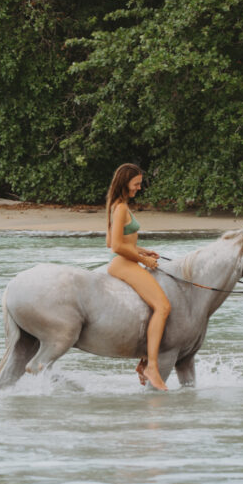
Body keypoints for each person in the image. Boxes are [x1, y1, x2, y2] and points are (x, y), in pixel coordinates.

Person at [106, 163, 171, 391]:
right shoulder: (120, 208)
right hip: (124, 264)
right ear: (125, 183)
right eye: (136, 183)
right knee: (163, 307)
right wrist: (144, 261)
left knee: (152, 307)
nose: (139, 188)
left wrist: (143, 251)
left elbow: (115, 241)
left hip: (128, 261)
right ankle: (151, 366)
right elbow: (115, 246)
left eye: (140, 183)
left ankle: (144, 361)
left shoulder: (118, 205)